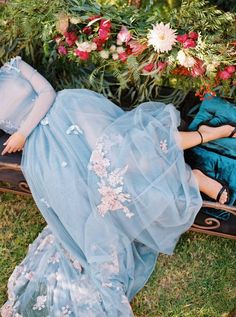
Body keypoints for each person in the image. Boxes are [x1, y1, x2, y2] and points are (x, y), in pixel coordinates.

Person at [0, 56, 235, 317]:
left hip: (67, 114)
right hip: (46, 150)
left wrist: (22, 132)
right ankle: (194, 178)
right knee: (102, 198)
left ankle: (205, 138)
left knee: (130, 154)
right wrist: (23, 136)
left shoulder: (13, 66)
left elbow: (47, 93)